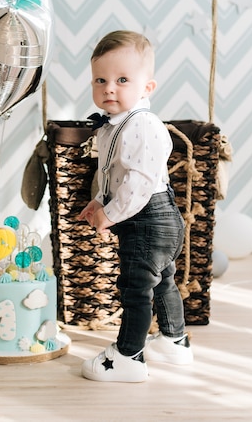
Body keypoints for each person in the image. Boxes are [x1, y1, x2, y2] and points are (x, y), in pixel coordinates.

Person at [79, 30, 193, 382]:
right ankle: (174, 340)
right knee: (162, 282)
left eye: (122, 80)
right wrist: (97, 201)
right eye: (101, 79)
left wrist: (109, 215)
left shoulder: (142, 125)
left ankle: (128, 355)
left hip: (149, 217)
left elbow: (138, 185)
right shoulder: (113, 127)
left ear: (147, 88)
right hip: (149, 216)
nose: (109, 88)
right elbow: (113, 175)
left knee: (135, 288)